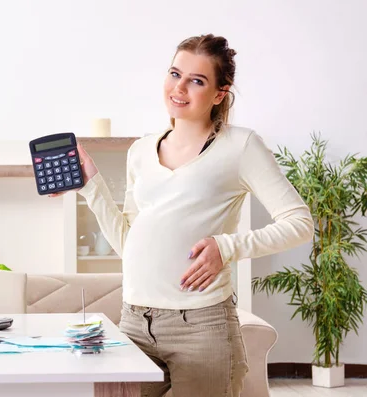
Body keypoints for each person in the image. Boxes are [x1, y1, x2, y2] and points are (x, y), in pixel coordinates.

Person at [50, 34, 314, 397]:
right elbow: (130, 244)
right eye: (175, 73)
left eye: (197, 80)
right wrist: (92, 187)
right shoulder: (141, 150)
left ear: (220, 93)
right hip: (134, 323)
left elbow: (300, 223)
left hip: (202, 328)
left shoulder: (241, 146)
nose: (180, 87)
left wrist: (226, 247)